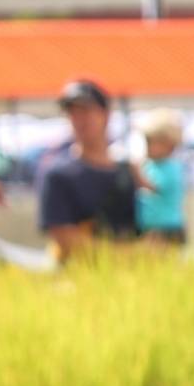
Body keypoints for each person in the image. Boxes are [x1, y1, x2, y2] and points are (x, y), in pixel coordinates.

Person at [38, 78, 141, 260]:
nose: (79, 120)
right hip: (80, 277)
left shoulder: (130, 169)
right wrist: (131, 254)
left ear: (105, 114)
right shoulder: (58, 173)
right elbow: (65, 240)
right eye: (72, 113)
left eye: (85, 110)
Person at [135, 109, 188, 246]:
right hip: (149, 226)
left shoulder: (172, 167)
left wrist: (135, 174)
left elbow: (154, 187)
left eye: (152, 142)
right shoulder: (149, 164)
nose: (147, 147)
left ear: (169, 144)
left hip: (167, 228)